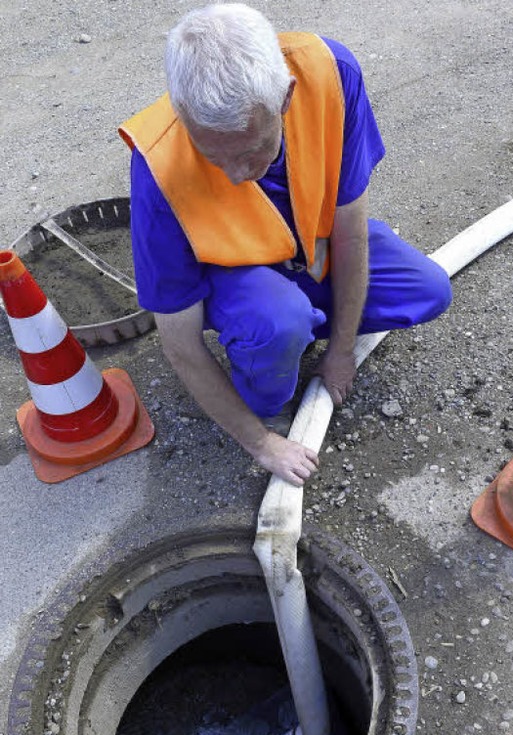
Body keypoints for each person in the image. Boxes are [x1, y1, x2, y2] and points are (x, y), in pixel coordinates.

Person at [120, 3, 452, 486]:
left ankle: (297, 329)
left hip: (310, 246)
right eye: (215, 156)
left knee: (429, 289)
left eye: (253, 150)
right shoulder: (158, 167)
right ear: (183, 113)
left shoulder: (329, 76)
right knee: (277, 324)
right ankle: (264, 382)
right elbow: (179, 340)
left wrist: (340, 352)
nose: (236, 173)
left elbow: (350, 228)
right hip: (235, 280)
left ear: (286, 99)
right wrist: (262, 442)